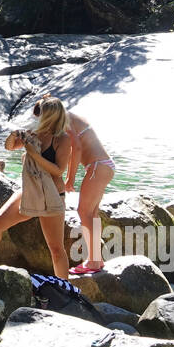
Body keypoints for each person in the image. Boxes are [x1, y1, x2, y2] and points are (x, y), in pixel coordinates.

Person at [0, 96, 72, 278]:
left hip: (52, 194)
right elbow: (9, 147)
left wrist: (35, 154)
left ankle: (65, 289)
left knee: (56, 248)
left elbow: (58, 170)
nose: (38, 116)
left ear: (52, 115)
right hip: (30, 190)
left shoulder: (63, 139)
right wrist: (13, 135)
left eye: (41, 113)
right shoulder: (33, 133)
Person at [62, 107, 115, 275]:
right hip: (103, 165)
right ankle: (97, 259)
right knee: (92, 214)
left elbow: (76, 148)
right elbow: (72, 150)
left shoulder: (65, 118)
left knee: (83, 211)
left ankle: (93, 261)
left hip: (97, 166)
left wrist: (70, 180)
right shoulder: (71, 117)